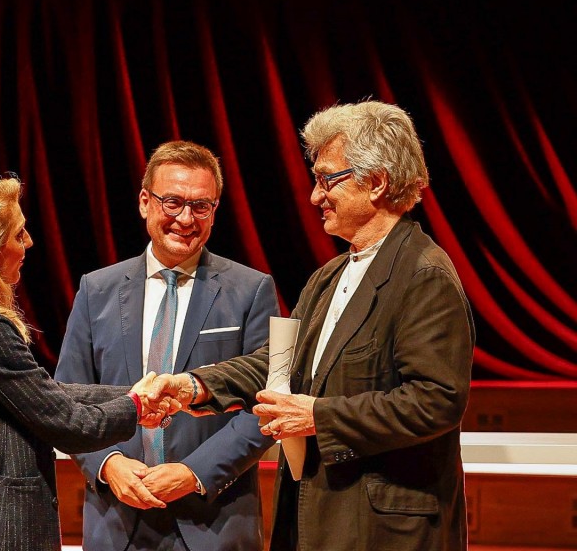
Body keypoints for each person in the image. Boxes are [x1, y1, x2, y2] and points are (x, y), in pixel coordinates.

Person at [150, 101, 475, 550]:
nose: (315, 196)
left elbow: (436, 400)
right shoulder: (330, 276)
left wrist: (317, 416)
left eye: (327, 179)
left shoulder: (423, 274)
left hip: (385, 531)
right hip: (320, 515)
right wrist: (194, 386)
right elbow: (279, 364)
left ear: (376, 182)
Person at [0, 174, 173, 551]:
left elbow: (40, 392)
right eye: (18, 234)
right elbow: (68, 424)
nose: (28, 242)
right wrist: (138, 406)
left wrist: (132, 392)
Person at [54, 140, 279, 550]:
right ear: (145, 202)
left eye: (201, 206)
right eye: (172, 202)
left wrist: (193, 473)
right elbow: (67, 398)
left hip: (215, 521)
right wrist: (109, 464)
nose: (185, 219)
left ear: (215, 210)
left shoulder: (252, 290)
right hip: (116, 521)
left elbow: (264, 403)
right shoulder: (96, 289)